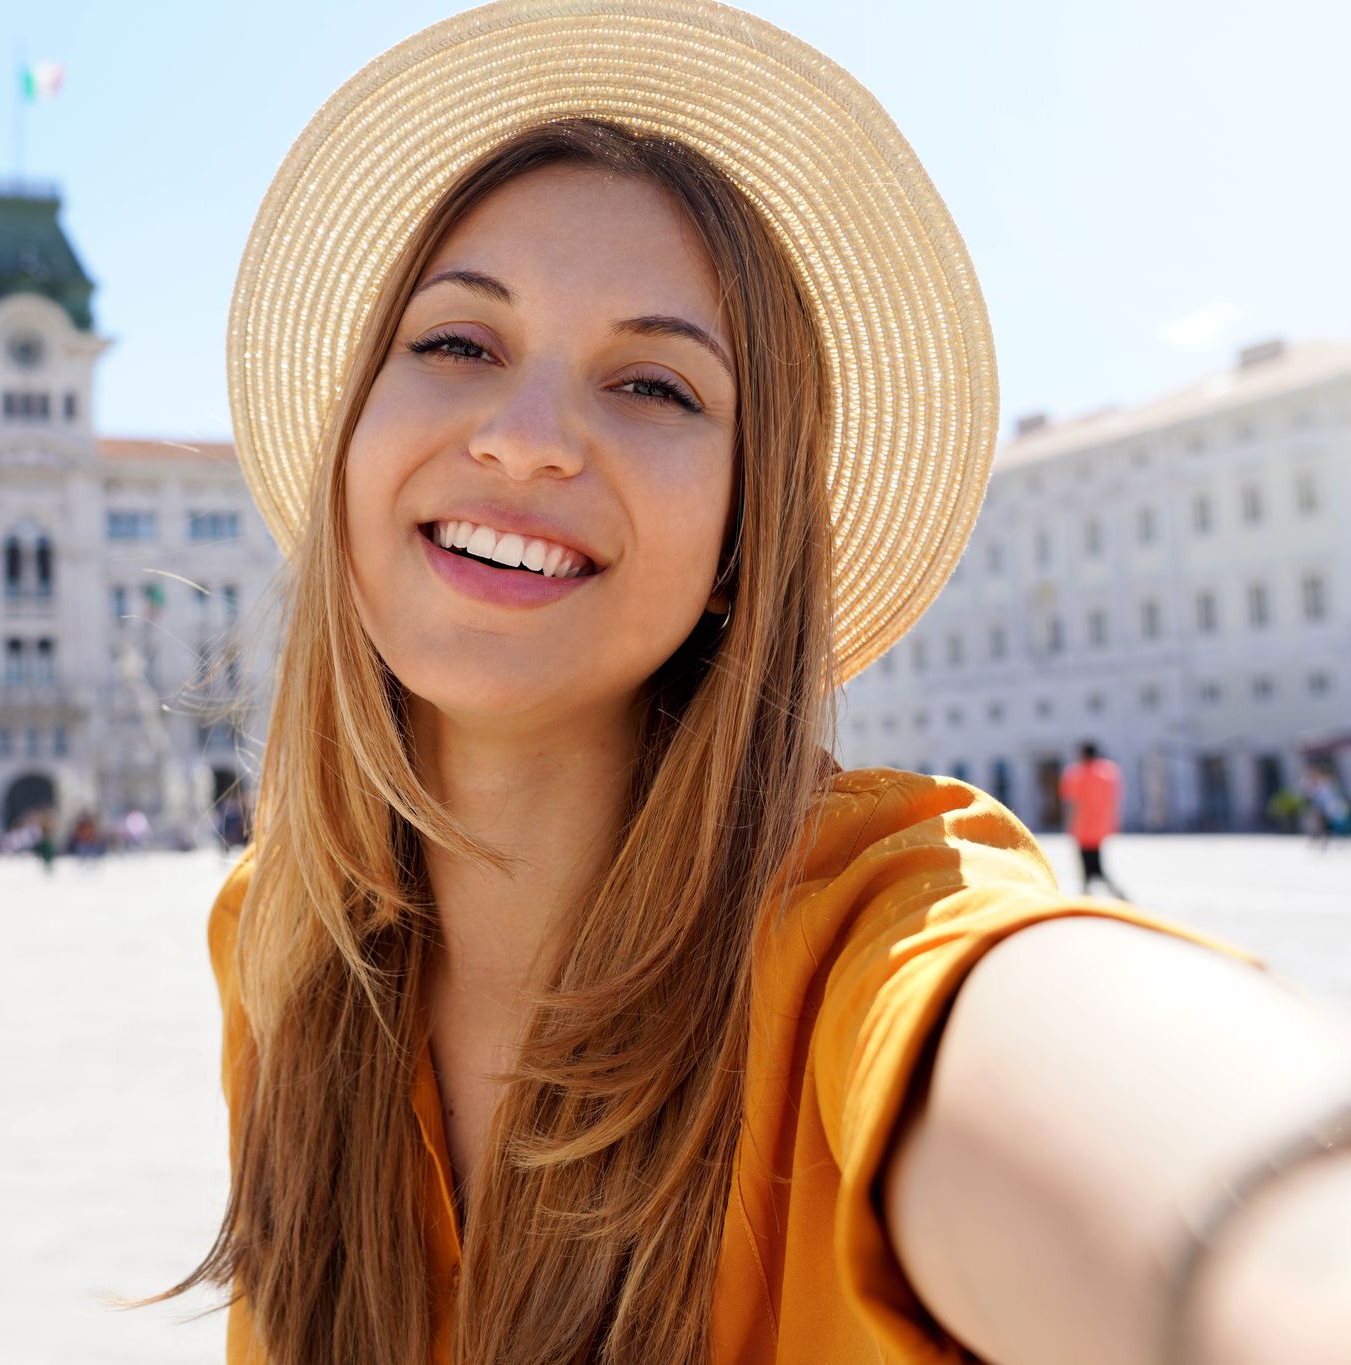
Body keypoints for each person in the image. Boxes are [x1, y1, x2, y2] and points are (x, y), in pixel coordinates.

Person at [143, 6, 1351, 1363]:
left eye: (653, 385)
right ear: (355, 439)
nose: (528, 440)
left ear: (740, 541)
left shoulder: (860, 932)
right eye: (457, 345)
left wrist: (1284, 1251)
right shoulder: (277, 938)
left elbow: (1123, 1102)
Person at [1059, 740, 1129, 899]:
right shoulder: (1109, 772)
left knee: (1089, 864)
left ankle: (1090, 893)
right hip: (1101, 826)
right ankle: (1090, 892)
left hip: (1082, 827)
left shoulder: (1076, 773)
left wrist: (1069, 824)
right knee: (1095, 862)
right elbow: (1115, 798)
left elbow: (1071, 803)